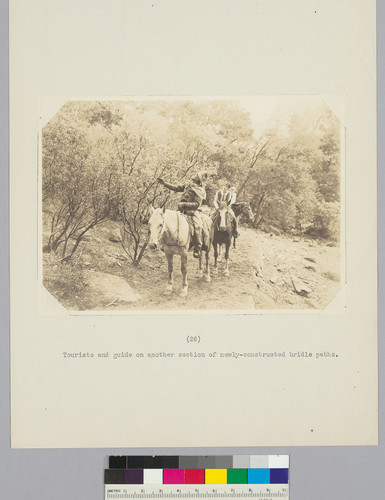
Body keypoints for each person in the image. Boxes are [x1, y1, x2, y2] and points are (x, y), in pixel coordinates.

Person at [157, 171, 208, 258]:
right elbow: (176, 188)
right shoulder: (188, 185)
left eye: (196, 175)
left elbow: (197, 204)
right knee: (169, 222)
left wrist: (184, 204)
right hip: (181, 210)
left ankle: (197, 247)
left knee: (198, 226)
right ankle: (165, 243)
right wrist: (164, 183)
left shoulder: (200, 190)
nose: (194, 175)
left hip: (192, 211)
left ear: (198, 179)